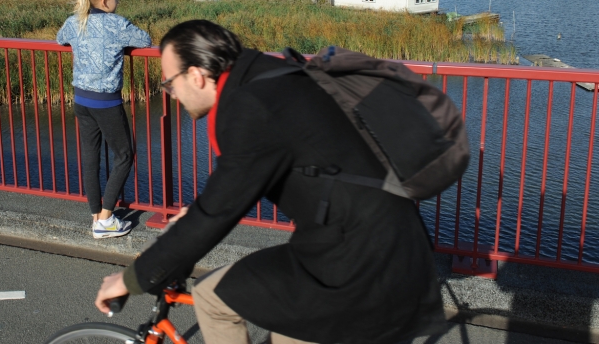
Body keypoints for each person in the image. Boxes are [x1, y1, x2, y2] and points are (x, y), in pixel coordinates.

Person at [95, 20, 447, 343]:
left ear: (197, 75)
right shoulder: (269, 74)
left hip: (356, 263)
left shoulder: (249, 106)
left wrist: (132, 279)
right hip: (369, 243)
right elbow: (234, 189)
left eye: (169, 83)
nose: (170, 93)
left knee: (212, 298)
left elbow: (218, 212)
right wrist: (198, 217)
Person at [57, 0, 151, 239]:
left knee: (90, 157)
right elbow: (145, 40)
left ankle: (95, 215)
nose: (118, 0)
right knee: (124, 155)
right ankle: (106, 220)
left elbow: (59, 39)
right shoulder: (116, 23)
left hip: (81, 99)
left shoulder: (74, 21)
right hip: (106, 101)